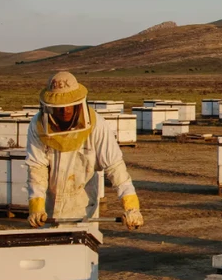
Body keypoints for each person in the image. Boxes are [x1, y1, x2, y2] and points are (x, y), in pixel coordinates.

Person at [24, 72, 143, 230]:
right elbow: (37, 167)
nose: (65, 110)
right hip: (50, 209)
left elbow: (115, 166)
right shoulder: (38, 125)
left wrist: (131, 206)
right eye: (59, 107)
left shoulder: (97, 125)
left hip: (84, 207)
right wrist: (36, 205)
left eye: (69, 104)